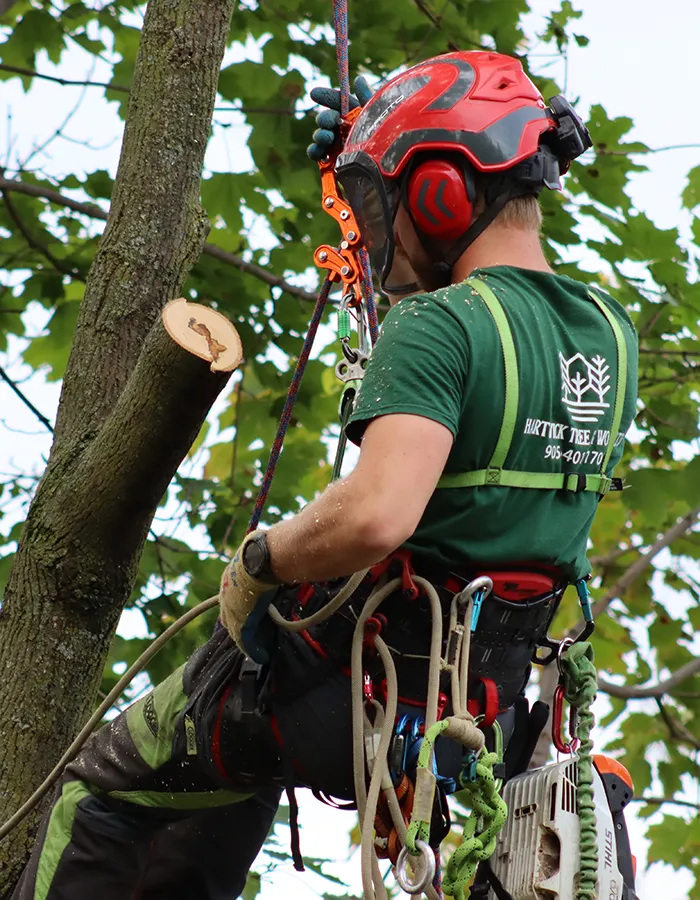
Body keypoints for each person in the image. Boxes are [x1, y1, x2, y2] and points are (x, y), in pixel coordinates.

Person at [13, 50, 638, 900]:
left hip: (347, 686)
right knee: (226, 770)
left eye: (388, 203)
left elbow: (377, 514)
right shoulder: (608, 335)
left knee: (104, 790)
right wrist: (372, 147)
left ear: (442, 190)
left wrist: (260, 560)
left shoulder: (439, 328)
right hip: (473, 710)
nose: (378, 238)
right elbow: (474, 404)